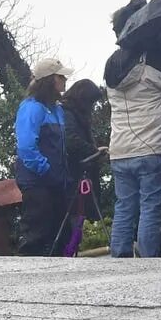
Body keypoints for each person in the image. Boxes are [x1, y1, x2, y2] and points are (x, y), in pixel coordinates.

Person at [103, 0, 161, 259]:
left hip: (120, 149)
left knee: (124, 208)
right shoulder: (152, 62)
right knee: (151, 208)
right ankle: (147, 262)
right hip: (153, 146)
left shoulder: (111, 66)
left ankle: (118, 258)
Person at [14, 57, 72, 255]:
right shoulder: (31, 108)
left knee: (60, 235)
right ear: (49, 80)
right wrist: (46, 170)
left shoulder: (56, 109)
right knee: (35, 235)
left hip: (55, 182)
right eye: (60, 76)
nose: (65, 80)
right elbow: (26, 148)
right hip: (38, 182)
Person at [59, 79, 107, 256]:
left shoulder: (73, 114)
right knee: (75, 218)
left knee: (80, 218)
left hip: (82, 174)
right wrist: (93, 151)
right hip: (75, 176)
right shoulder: (68, 113)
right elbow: (71, 140)